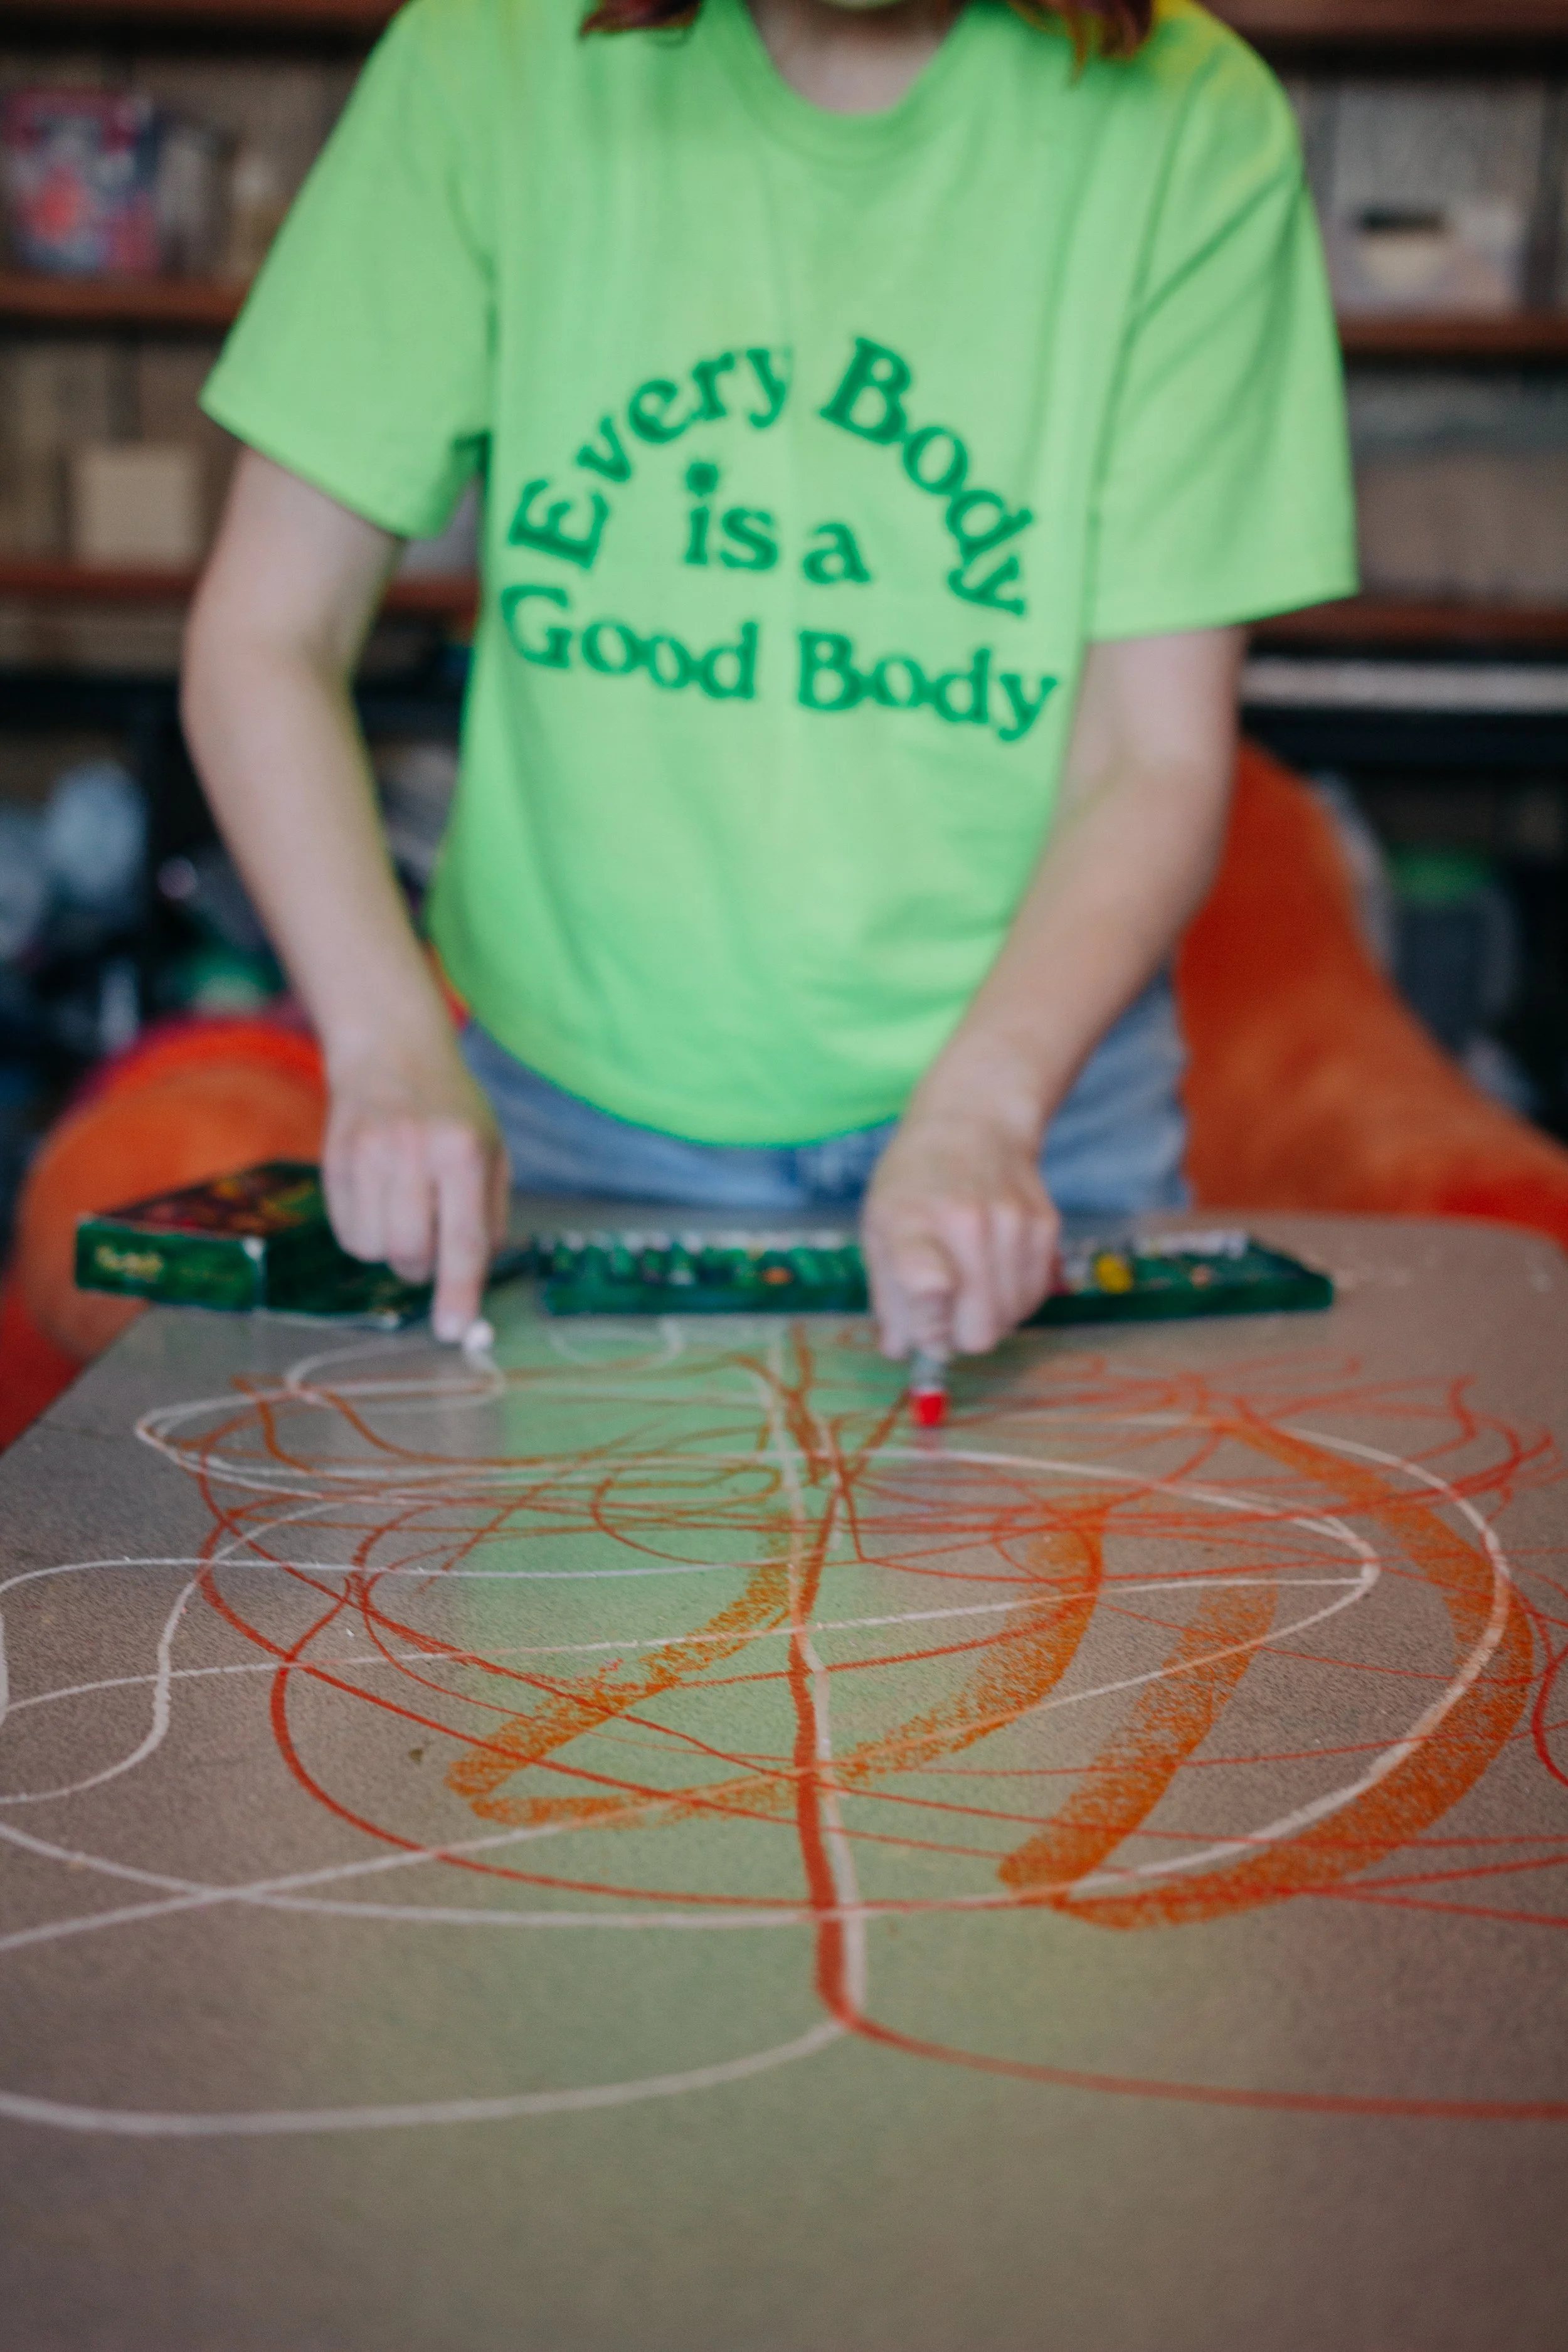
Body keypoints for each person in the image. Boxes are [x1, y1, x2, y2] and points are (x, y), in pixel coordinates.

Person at [183, 0, 1355, 1360]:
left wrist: (978, 1114)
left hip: (1037, 1121)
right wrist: (387, 1050)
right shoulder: (482, 53)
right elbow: (264, 635)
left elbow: (1151, 758)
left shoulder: (1195, 119)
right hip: (579, 1117)